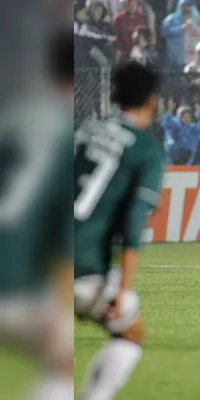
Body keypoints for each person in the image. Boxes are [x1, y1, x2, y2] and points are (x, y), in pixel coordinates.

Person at [74, 61, 163, 400]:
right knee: (130, 333)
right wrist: (122, 290)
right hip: (80, 269)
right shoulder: (145, 151)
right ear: (152, 101)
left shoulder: (82, 129)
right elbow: (132, 226)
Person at [0, 31, 74, 400]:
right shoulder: (61, 133)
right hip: (14, 286)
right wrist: (58, 314)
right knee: (64, 360)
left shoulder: (11, 113)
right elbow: (63, 245)